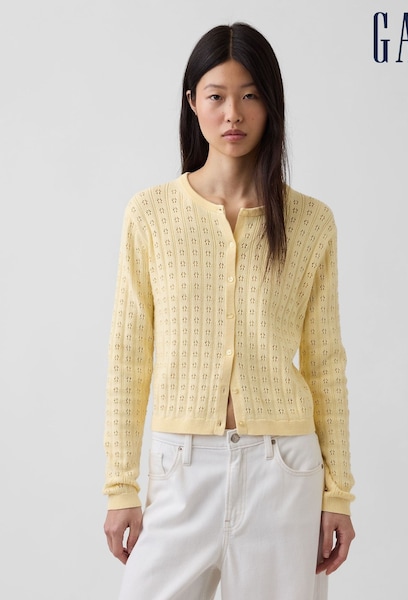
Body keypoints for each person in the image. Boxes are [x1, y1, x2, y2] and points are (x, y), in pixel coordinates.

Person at [103, 22, 355, 600]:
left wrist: (337, 494)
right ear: (193, 102)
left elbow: (326, 365)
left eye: (250, 95)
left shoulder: (311, 222)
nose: (233, 113)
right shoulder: (150, 215)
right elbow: (128, 356)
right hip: (180, 468)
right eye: (216, 96)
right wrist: (120, 487)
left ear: (271, 104)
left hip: (283, 473)